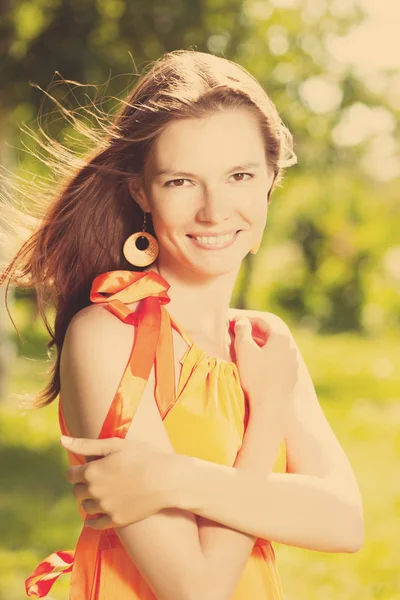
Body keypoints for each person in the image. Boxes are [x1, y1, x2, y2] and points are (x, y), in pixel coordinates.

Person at [1, 49, 363, 600]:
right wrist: (265, 416)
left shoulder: (264, 343)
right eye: (181, 182)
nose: (215, 211)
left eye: (239, 175)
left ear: (269, 179)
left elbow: (345, 522)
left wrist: (178, 479)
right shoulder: (108, 334)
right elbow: (198, 589)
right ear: (140, 191)